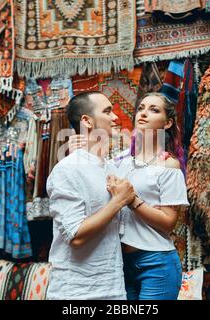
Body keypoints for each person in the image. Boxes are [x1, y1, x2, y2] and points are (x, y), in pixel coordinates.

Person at [71, 92, 189, 300]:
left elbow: (169, 222)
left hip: (156, 263)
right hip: (121, 264)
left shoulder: (169, 165)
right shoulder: (121, 161)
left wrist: (131, 199)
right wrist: (80, 150)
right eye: (141, 108)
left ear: (167, 123)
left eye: (154, 110)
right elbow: (92, 175)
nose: (143, 113)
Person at [46, 91, 136, 300]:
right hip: (76, 291)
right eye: (107, 111)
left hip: (113, 287)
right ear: (87, 121)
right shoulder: (67, 170)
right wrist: (119, 201)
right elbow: (75, 235)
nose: (115, 117)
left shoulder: (111, 167)